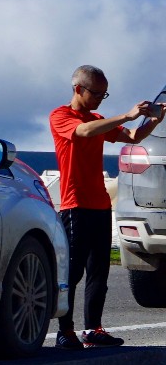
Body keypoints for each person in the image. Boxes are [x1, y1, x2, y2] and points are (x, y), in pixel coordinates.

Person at [50, 65, 162, 349]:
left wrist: (156, 120)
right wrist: (126, 114)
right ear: (78, 89)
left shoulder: (98, 118)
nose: (100, 99)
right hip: (75, 205)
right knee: (72, 274)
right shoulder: (61, 116)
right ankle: (66, 330)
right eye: (96, 93)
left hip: (99, 205)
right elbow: (83, 132)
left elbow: (135, 137)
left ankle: (93, 329)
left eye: (104, 94)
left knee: (98, 271)